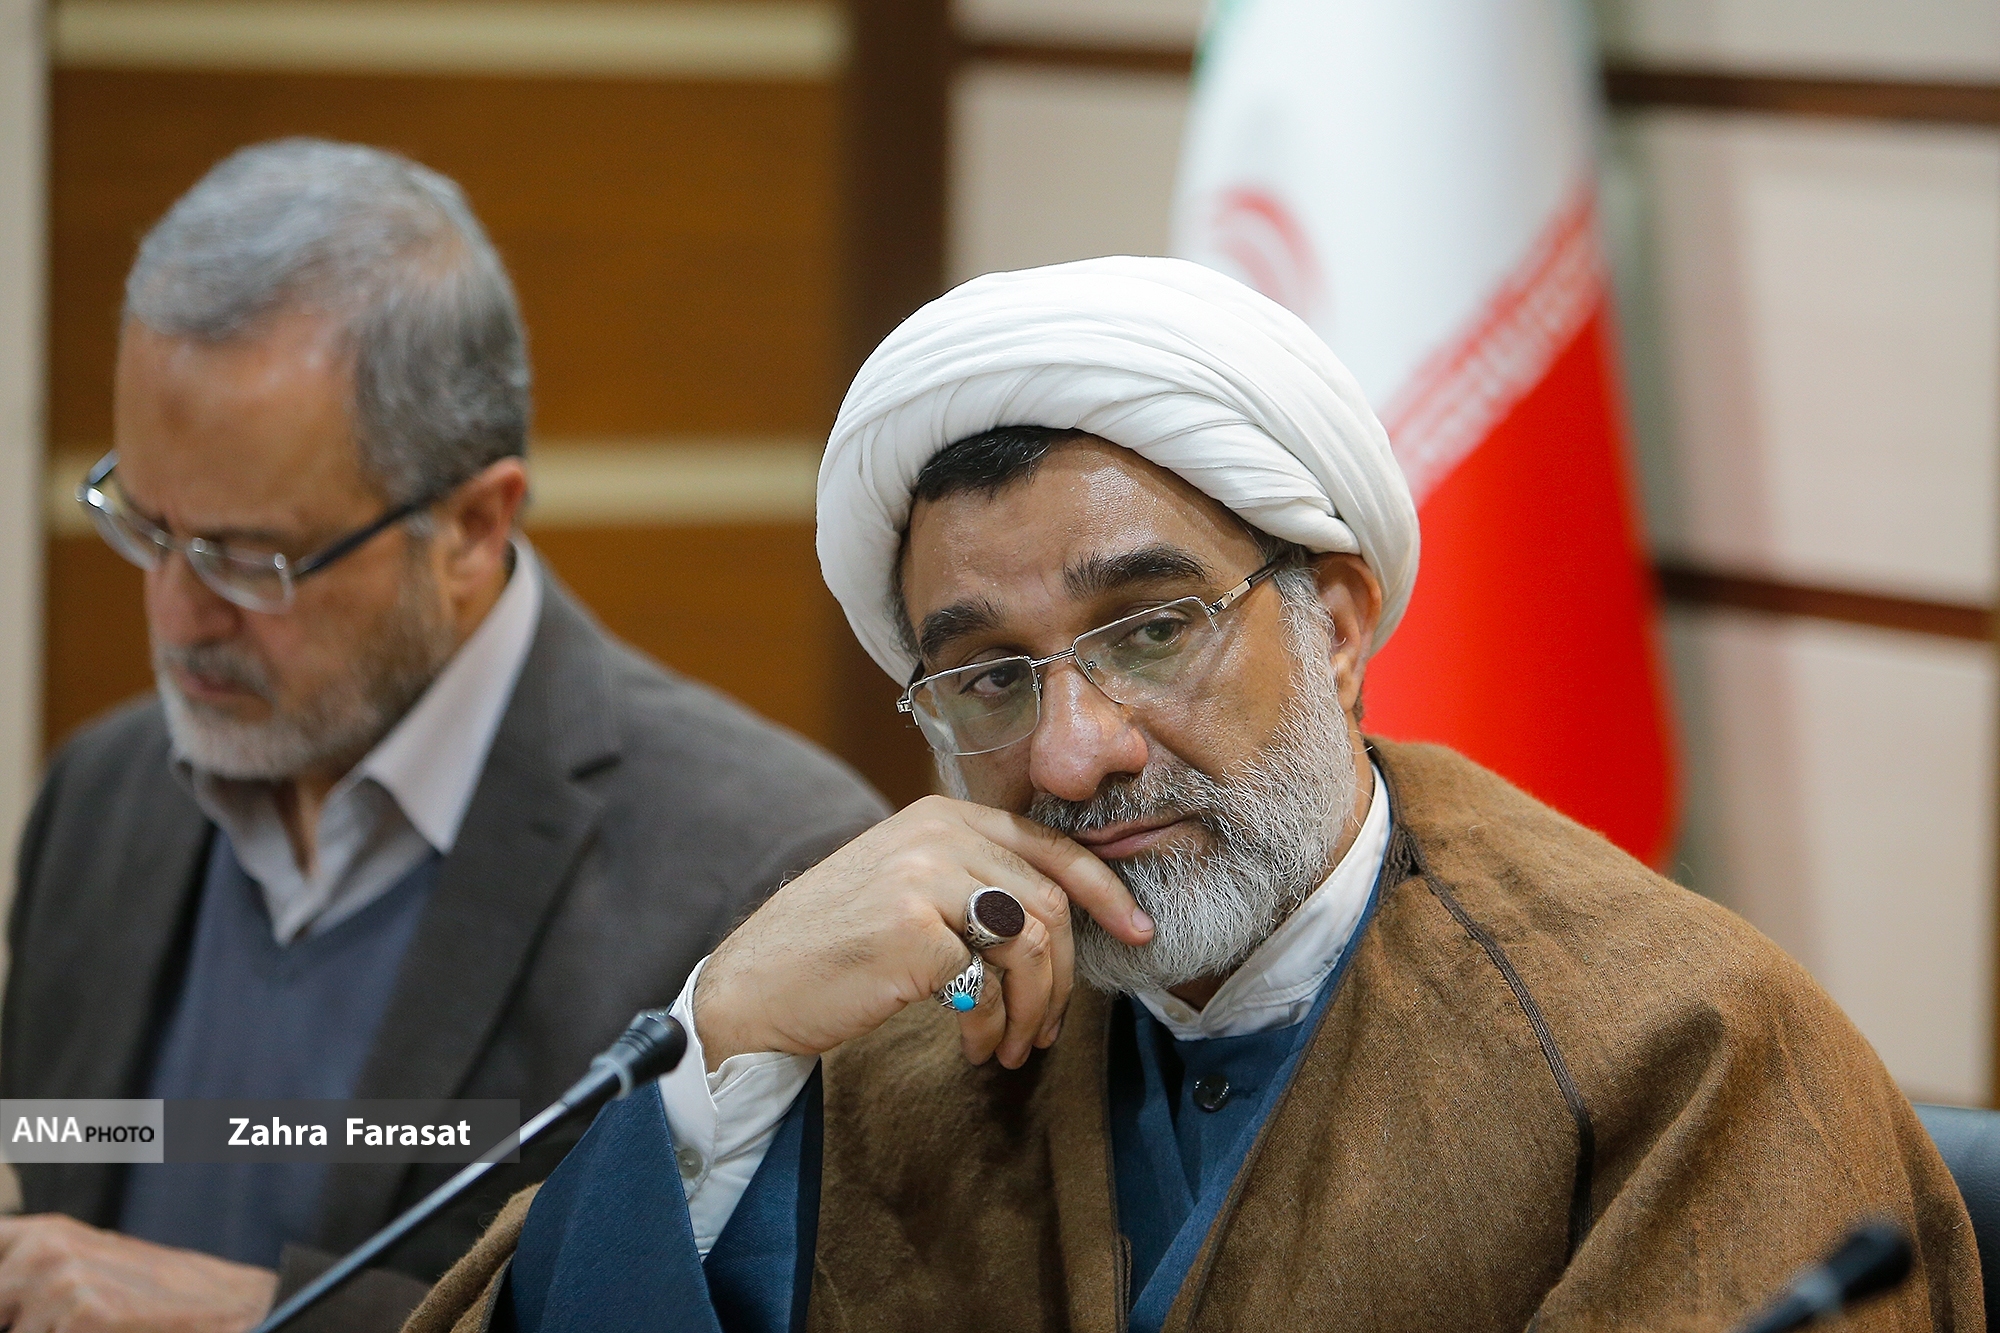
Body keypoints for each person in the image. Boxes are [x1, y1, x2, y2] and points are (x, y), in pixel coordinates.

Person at [409, 256, 1980, 1333]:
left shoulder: (1680, 1048)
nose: (1073, 753)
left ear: (1339, 625)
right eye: (989, 678)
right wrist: (726, 1031)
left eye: (1152, 630)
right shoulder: (900, 1022)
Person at [1, 138, 886, 1333]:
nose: (175, 614)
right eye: (146, 526)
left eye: (249, 558)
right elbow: (85, 1149)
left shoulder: (762, 874)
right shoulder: (99, 797)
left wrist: (265, 1318)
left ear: (472, 526)